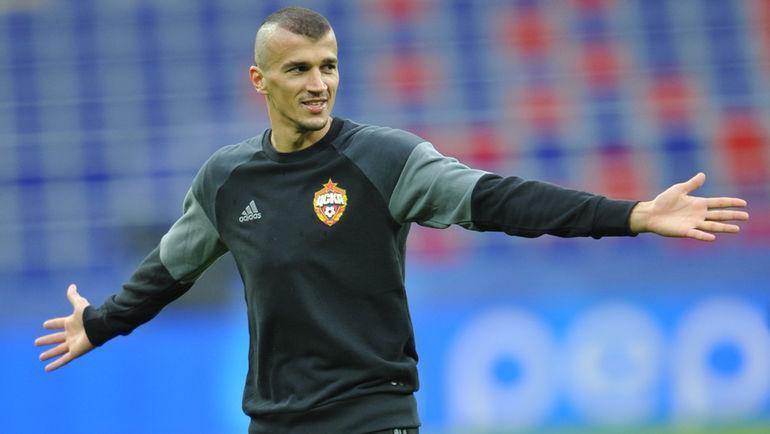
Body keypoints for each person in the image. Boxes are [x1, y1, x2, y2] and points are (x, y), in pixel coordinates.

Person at [34, 6, 749, 434]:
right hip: (274, 423)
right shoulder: (227, 179)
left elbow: (498, 199)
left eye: (328, 65)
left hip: (372, 418)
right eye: (298, 69)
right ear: (260, 80)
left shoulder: (384, 160)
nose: (318, 83)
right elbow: (171, 266)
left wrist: (631, 215)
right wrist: (102, 322)